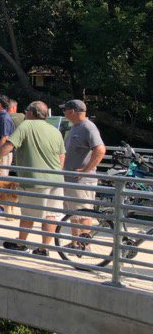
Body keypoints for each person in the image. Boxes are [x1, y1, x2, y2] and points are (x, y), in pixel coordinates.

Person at [0, 101, 66, 256]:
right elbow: (61, 156)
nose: (25, 113)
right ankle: (44, 248)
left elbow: (8, 146)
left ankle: (21, 243)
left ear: (32, 113)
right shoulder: (55, 131)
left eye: (26, 111)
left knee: (28, 214)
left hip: (34, 180)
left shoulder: (25, 126)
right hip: (56, 180)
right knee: (50, 215)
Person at [60, 99, 106, 240]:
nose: (63, 112)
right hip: (70, 179)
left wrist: (86, 170)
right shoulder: (75, 127)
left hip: (82, 181)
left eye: (64, 110)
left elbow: (100, 150)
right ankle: (75, 243)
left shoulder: (88, 127)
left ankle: (85, 245)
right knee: (73, 213)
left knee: (84, 213)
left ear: (72, 111)